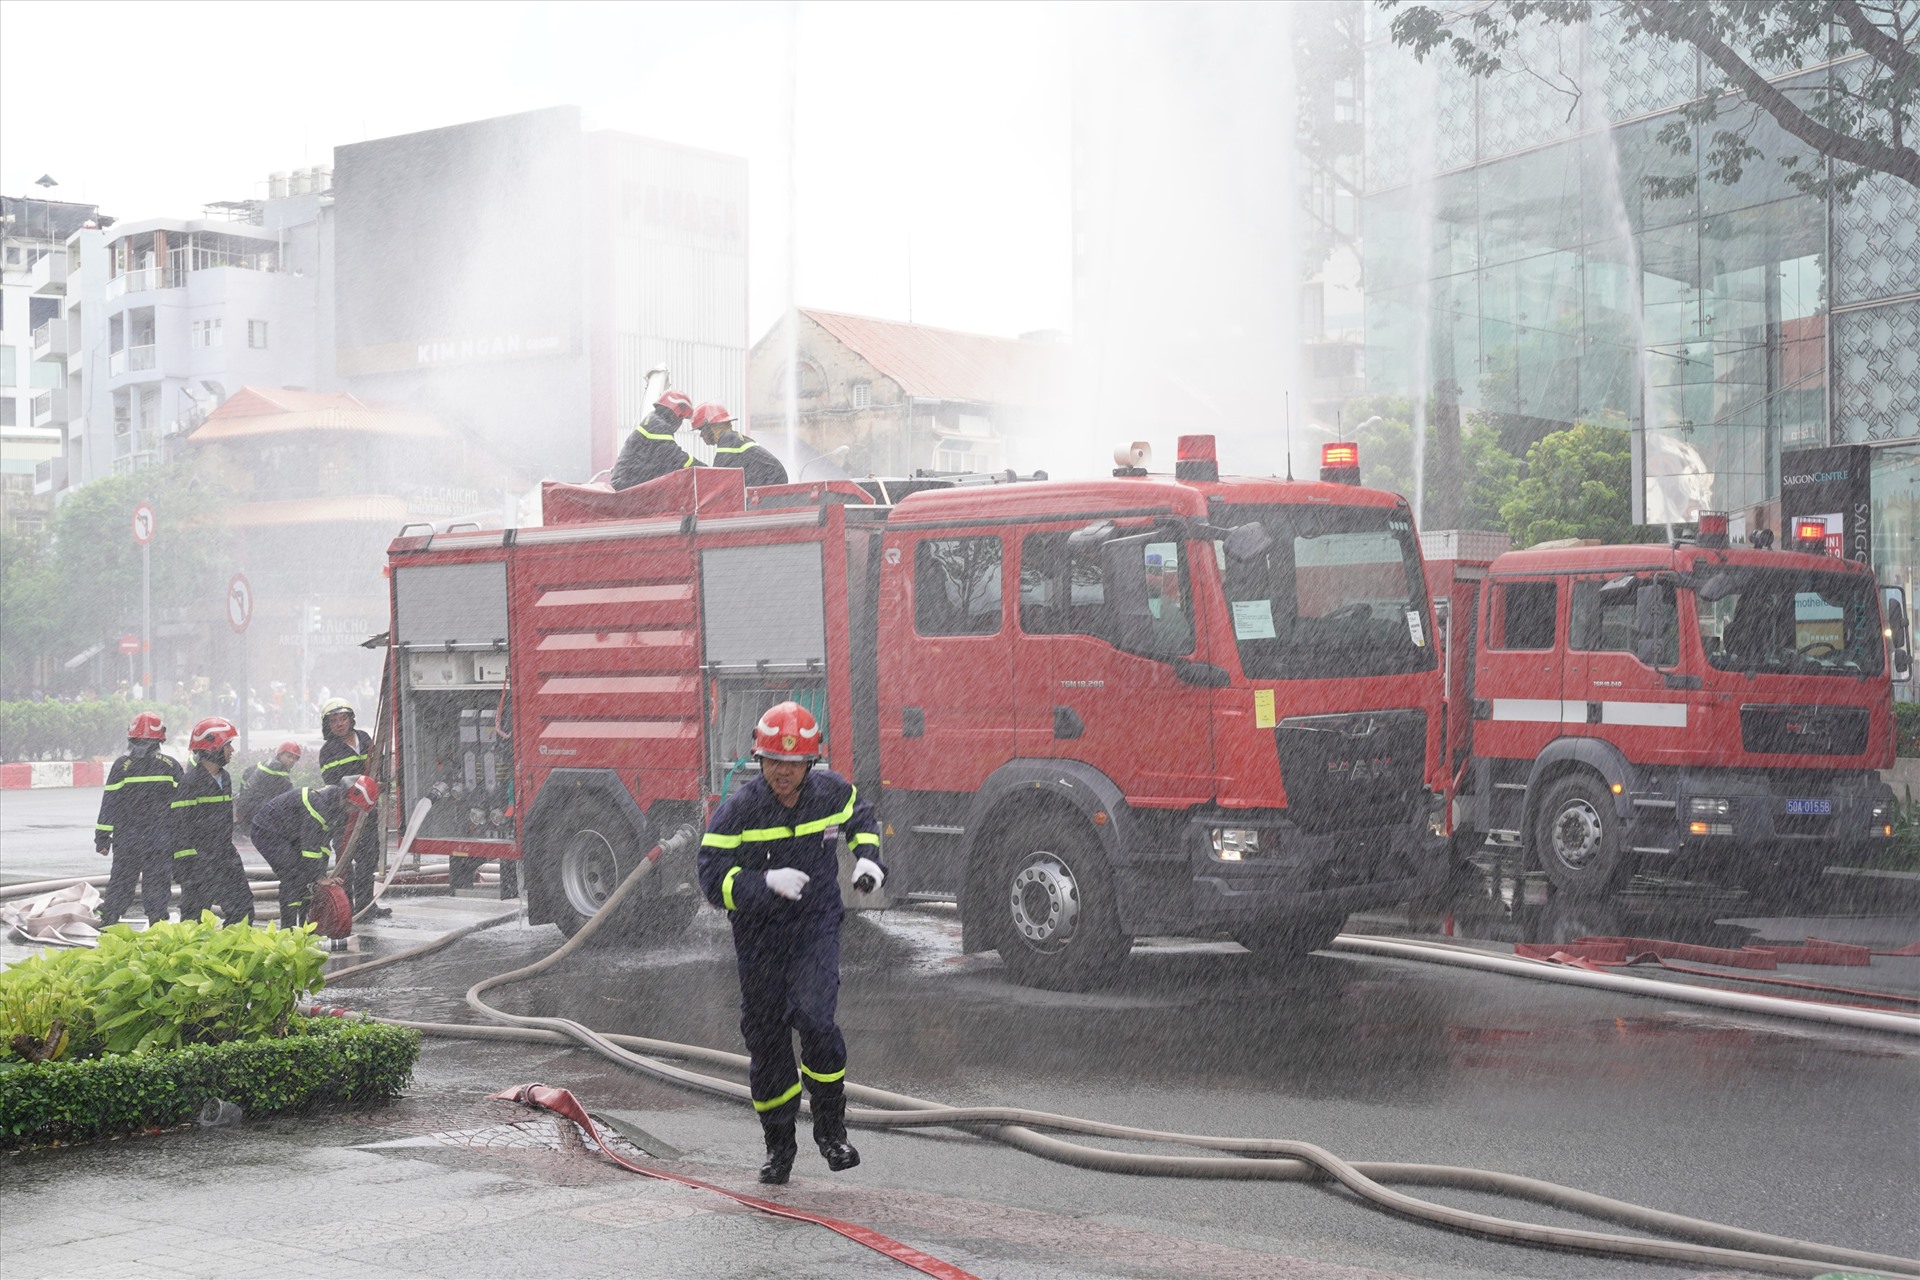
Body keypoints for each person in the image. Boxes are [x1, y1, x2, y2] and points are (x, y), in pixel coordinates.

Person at [696, 701, 886, 1185]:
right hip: (759, 937)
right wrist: (762, 884)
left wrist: (868, 859)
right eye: (775, 762)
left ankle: (831, 1132)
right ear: (760, 761)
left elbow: (861, 817)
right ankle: (779, 1148)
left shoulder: (830, 794)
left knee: (817, 1021)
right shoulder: (738, 811)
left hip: (813, 928)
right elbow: (710, 877)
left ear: (810, 765)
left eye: (794, 763)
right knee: (767, 1040)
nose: (784, 772)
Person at [249, 776, 377, 929]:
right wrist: (319, 877)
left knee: (307, 882)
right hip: (267, 831)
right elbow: (310, 848)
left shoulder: (337, 808)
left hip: (290, 834)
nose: (354, 811)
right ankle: (287, 931)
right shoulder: (319, 806)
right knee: (293, 875)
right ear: (346, 796)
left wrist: (321, 877)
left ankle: (304, 929)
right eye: (354, 806)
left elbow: (323, 846)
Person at [95, 713, 183, 927]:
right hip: (159, 839)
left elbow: (110, 803)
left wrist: (102, 838)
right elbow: (182, 807)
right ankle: (157, 924)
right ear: (160, 738)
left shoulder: (121, 766)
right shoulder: (170, 766)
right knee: (157, 883)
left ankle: (109, 921)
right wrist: (182, 839)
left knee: (121, 882)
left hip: (127, 840)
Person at [170, 717, 255, 926]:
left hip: (224, 855)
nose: (232, 751)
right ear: (213, 745)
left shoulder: (224, 778)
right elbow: (180, 825)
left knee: (242, 911)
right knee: (194, 919)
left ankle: (231, 953)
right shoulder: (190, 783)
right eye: (228, 745)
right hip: (199, 860)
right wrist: (185, 864)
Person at [318, 697, 382, 914]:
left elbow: (377, 767)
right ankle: (346, 908)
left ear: (351, 719)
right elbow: (334, 784)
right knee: (345, 860)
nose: (339, 724)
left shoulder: (364, 738)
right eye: (334, 720)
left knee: (369, 857)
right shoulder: (328, 751)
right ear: (328, 725)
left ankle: (366, 906)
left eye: (343, 718)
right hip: (344, 814)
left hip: (368, 811)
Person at [610, 390, 699, 490]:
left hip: (627, 479)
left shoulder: (654, 420)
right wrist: (703, 468)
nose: (680, 423)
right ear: (676, 414)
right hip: (628, 482)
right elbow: (675, 458)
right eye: (681, 419)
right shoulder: (657, 426)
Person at [692, 403, 789, 487]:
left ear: (712, 427)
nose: (701, 435)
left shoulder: (728, 439)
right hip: (771, 483)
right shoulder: (735, 438)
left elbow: (717, 478)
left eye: (702, 430)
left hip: (770, 484)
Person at [234, 741, 302, 832]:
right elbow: (290, 793)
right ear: (280, 754)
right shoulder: (278, 768)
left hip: (246, 805)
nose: (291, 761)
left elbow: (247, 773)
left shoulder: (265, 763)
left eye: (295, 759)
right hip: (256, 808)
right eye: (289, 756)